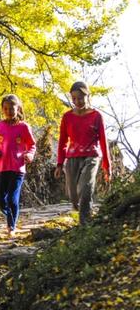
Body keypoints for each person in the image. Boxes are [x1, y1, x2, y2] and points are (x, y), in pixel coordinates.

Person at [54, 81, 111, 224]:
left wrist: (107, 166)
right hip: (72, 157)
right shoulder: (67, 117)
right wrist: (59, 164)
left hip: (91, 156)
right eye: (74, 98)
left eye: (80, 98)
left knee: (85, 189)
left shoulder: (96, 116)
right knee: (73, 195)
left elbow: (104, 141)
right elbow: (62, 141)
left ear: (88, 96)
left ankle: (85, 223)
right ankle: (80, 211)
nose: (77, 101)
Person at [0, 94, 36, 237]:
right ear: (2, 109)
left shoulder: (23, 127)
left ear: (18, 108)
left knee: (12, 199)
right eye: (6, 108)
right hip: (0, 168)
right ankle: (10, 214)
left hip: (17, 168)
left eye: (12, 108)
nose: (9, 111)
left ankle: (11, 226)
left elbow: (32, 145)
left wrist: (29, 155)